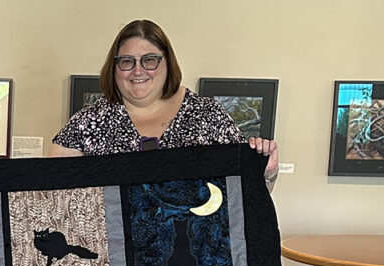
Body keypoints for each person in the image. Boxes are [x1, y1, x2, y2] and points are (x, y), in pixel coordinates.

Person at [49, 20, 279, 190]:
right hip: (112, 242)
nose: (138, 71)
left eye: (149, 60)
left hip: (192, 240)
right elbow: (51, 195)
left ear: (168, 63)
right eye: (127, 61)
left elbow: (246, 200)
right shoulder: (87, 122)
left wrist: (267, 173)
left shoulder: (208, 115)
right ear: (114, 67)